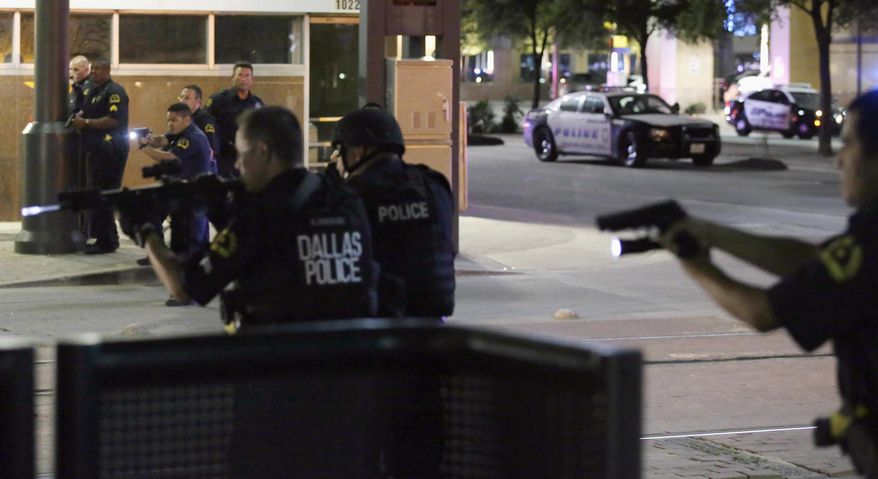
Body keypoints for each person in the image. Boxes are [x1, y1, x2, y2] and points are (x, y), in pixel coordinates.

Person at [660, 89, 878, 477]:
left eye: (849, 144)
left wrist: (696, 266)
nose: (839, 161)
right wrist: (714, 234)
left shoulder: (870, 247)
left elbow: (763, 312)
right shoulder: (865, 243)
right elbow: (814, 263)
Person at [122, 106, 378, 326]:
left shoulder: (260, 212)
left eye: (242, 154)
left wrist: (145, 230)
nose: (237, 165)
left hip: (283, 365)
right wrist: (224, 212)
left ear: (263, 151)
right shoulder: (345, 199)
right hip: (347, 359)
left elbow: (185, 287)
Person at [331, 106, 456, 318]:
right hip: (433, 320)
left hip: (383, 324)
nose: (339, 159)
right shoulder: (433, 183)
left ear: (359, 151)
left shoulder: (354, 194)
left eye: (342, 150)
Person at [138, 103, 213, 285]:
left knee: (190, 242)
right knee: (152, 214)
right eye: (168, 120)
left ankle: (189, 284)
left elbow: (171, 158)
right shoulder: (182, 133)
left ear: (186, 119)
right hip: (179, 192)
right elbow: (163, 139)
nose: (170, 124)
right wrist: (148, 138)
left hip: (192, 196)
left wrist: (143, 148)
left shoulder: (193, 137)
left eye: (174, 120)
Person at [70, 58, 129, 254]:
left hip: (111, 151)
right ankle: (105, 237)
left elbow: (113, 120)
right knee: (99, 194)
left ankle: (107, 241)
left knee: (105, 194)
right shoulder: (94, 92)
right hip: (97, 151)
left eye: (97, 69)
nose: (93, 72)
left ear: (107, 70)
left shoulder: (114, 92)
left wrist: (85, 123)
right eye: (92, 68)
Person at [206, 62, 263, 179]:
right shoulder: (218, 100)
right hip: (223, 157)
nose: (243, 79)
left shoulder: (257, 104)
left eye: (247, 75)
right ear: (233, 78)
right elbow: (205, 124)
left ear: (252, 80)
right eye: (240, 75)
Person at [177, 84, 219, 174]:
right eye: (181, 97)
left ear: (198, 101)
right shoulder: (184, 120)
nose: (182, 100)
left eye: (187, 98)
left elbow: (210, 150)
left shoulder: (204, 121)